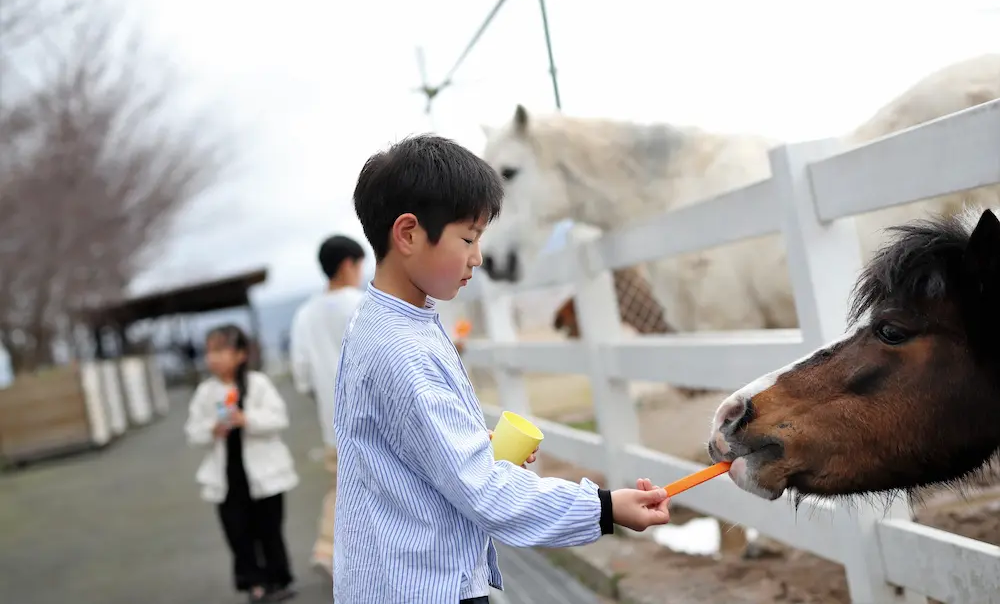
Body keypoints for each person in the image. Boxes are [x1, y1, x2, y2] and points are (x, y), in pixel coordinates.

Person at [334, 134, 672, 603]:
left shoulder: (378, 322)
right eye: (468, 239)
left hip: (391, 574)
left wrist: (471, 443)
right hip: (425, 586)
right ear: (408, 234)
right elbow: (485, 493)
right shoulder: (403, 350)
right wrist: (604, 508)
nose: (476, 257)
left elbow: (409, 443)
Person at [184, 324, 299, 603]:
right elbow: (192, 431)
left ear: (240, 354)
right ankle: (253, 583)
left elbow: (279, 418)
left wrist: (248, 420)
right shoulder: (206, 392)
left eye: (222, 350)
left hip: (264, 474)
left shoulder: (258, 384)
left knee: (270, 530)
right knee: (238, 534)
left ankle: (277, 579)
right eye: (210, 351)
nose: (213, 358)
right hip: (228, 477)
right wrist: (212, 430)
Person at [288, 234, 366, 577]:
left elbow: (301, 375)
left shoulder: (305, 314)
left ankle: (328, 548)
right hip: (370, 416)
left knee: (341, 486)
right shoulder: (362, 303)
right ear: (348, 264)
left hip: (332, 421)